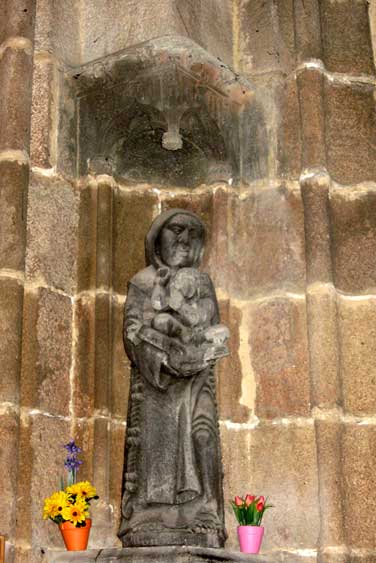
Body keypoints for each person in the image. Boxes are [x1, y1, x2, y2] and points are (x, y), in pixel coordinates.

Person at [118, 209, 228, 548]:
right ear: (157, 239)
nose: (183, 239)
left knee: (202, 433)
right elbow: (133, 330)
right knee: (154, 450)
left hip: (196, 380)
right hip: (157, 384)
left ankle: (207, 507)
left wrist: (195, 350)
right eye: (175, 231)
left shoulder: (201, 281)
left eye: (190, 234)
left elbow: (211, 327)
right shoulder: (142, 281)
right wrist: (163, 356)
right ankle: (148, 514)